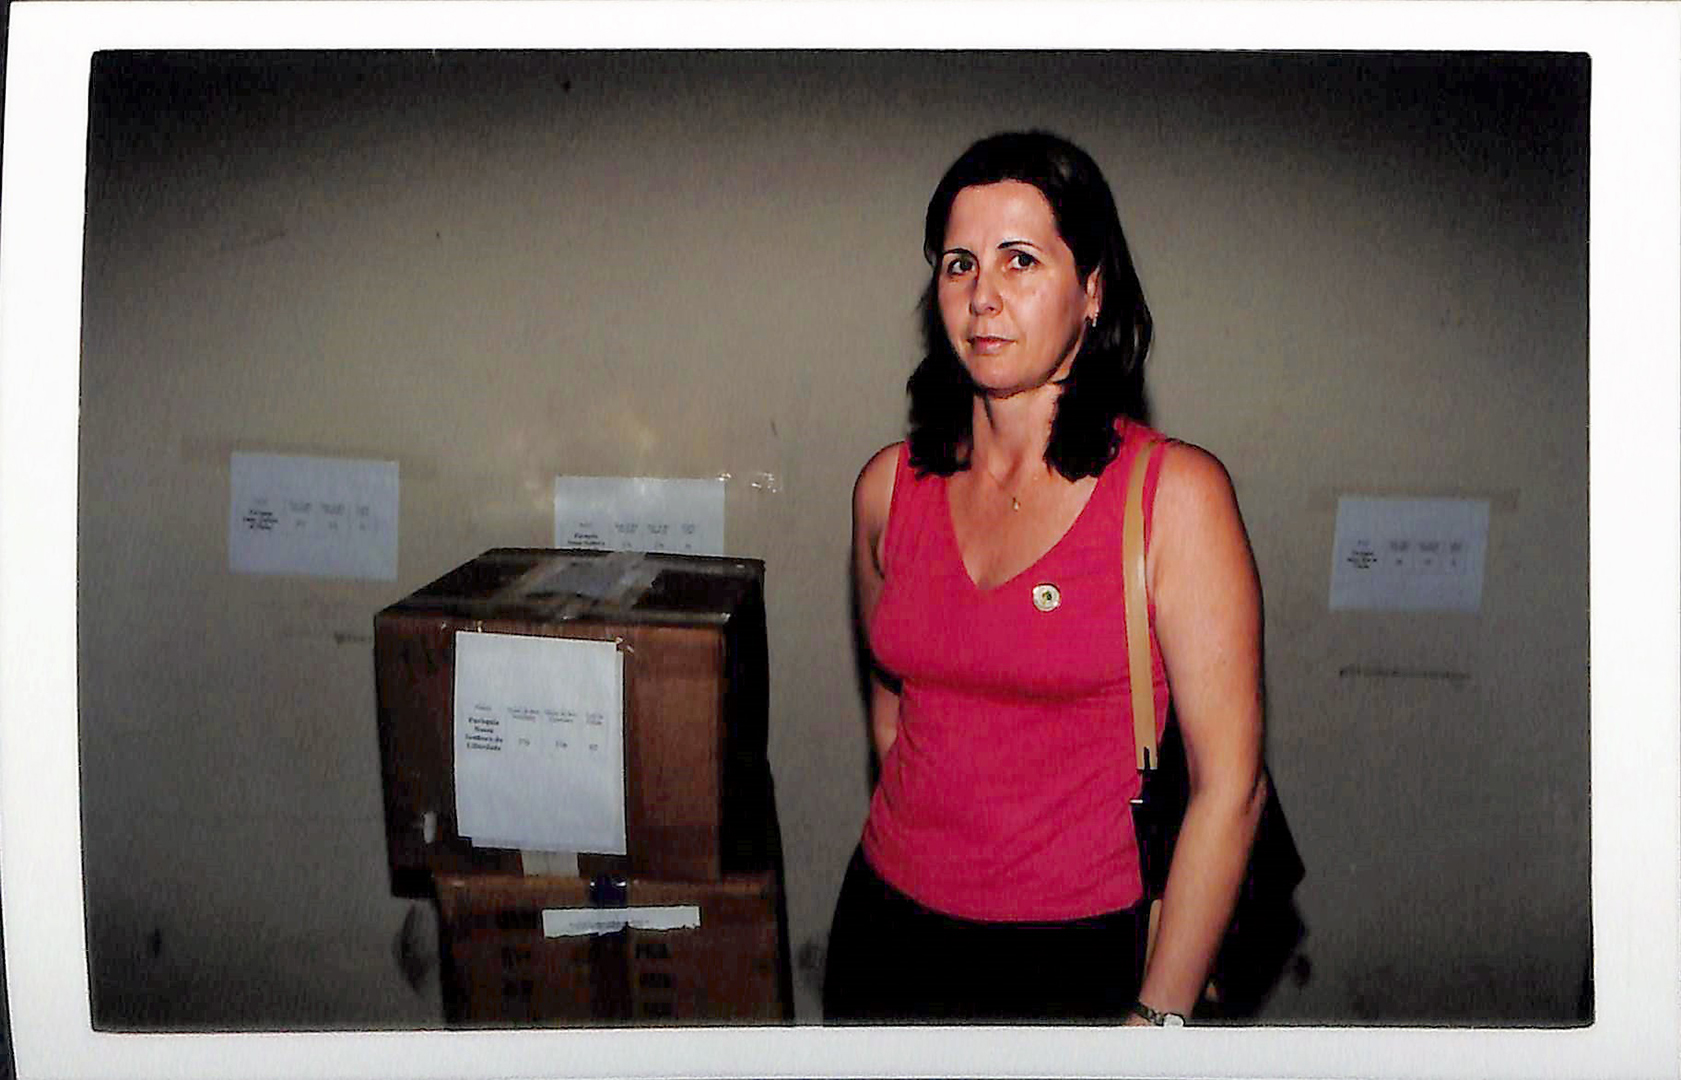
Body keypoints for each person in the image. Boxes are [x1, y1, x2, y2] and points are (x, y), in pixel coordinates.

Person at [822, 131, 1268, 1025]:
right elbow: (891, 708)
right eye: (959, 263)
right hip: (885, 929)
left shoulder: (1172, 497)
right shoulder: (888, 489)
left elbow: (1231, 789)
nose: (982, 295)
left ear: (1091, 289)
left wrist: (1156, 1023)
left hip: (1075, 955)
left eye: (1019, 259)